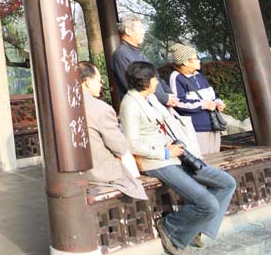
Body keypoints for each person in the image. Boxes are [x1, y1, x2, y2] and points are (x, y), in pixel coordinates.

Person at [120, 61, 236, 254]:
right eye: (155, 78)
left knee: (227, 182)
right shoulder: (130, 104)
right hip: (157, 161)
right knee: (207, 203)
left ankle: (194, 228)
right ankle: (171, 228)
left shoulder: (150, 99)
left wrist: (173, 145)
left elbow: (164, 125)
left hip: (176, 154)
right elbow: (132, 143)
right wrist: (165, 152)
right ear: (146, 81)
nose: (157, 82)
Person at [79, 61, 148, 200]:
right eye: (99, 80)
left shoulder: (62, 106)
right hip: (102, 175)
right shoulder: (100, 109)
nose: (101, 83)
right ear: (87, 82)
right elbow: (120, 147)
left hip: (76, 174)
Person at [168, 43, 226, 155]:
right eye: (196, 58)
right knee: (205, 161)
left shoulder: (199, 76)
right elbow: (178, 103)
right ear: (185, 62)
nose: (199, 60)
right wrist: (204, 105)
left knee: (216, 157)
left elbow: (213, 95)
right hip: (196, 129)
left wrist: (218, 102)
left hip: (213, 125)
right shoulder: (176, 78)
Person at [110, 15, 178, 107]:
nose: (143, 32)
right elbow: (135, 85)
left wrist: (169, 94)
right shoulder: (121, 54)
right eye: (140, 28)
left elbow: (156, 77)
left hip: (157, 104)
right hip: (141, 108)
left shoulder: (137, 52)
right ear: (128, 31)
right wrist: (164, 98)